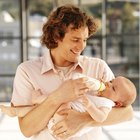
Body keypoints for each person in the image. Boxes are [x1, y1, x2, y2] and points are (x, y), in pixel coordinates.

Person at [0, 4, 134, 140]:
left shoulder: (98, 67)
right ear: (56, 37)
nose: (82, 46)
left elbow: (127, 112)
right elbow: (26, 129)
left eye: (85, 40)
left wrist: (83, 120)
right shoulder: (27, 71)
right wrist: (57, 97)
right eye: (75, 40)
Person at [0, 74, 136, 139]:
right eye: (111, 81)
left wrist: (88, 107)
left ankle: (37, 99)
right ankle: (15, 111)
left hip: (64, 124)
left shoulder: (107, 103)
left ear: (117, 103)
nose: (108, 84)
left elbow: (100, 117)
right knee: (44, 109)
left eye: (113, 88)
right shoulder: (100, 94)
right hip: (58, 119)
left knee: (62, 100)